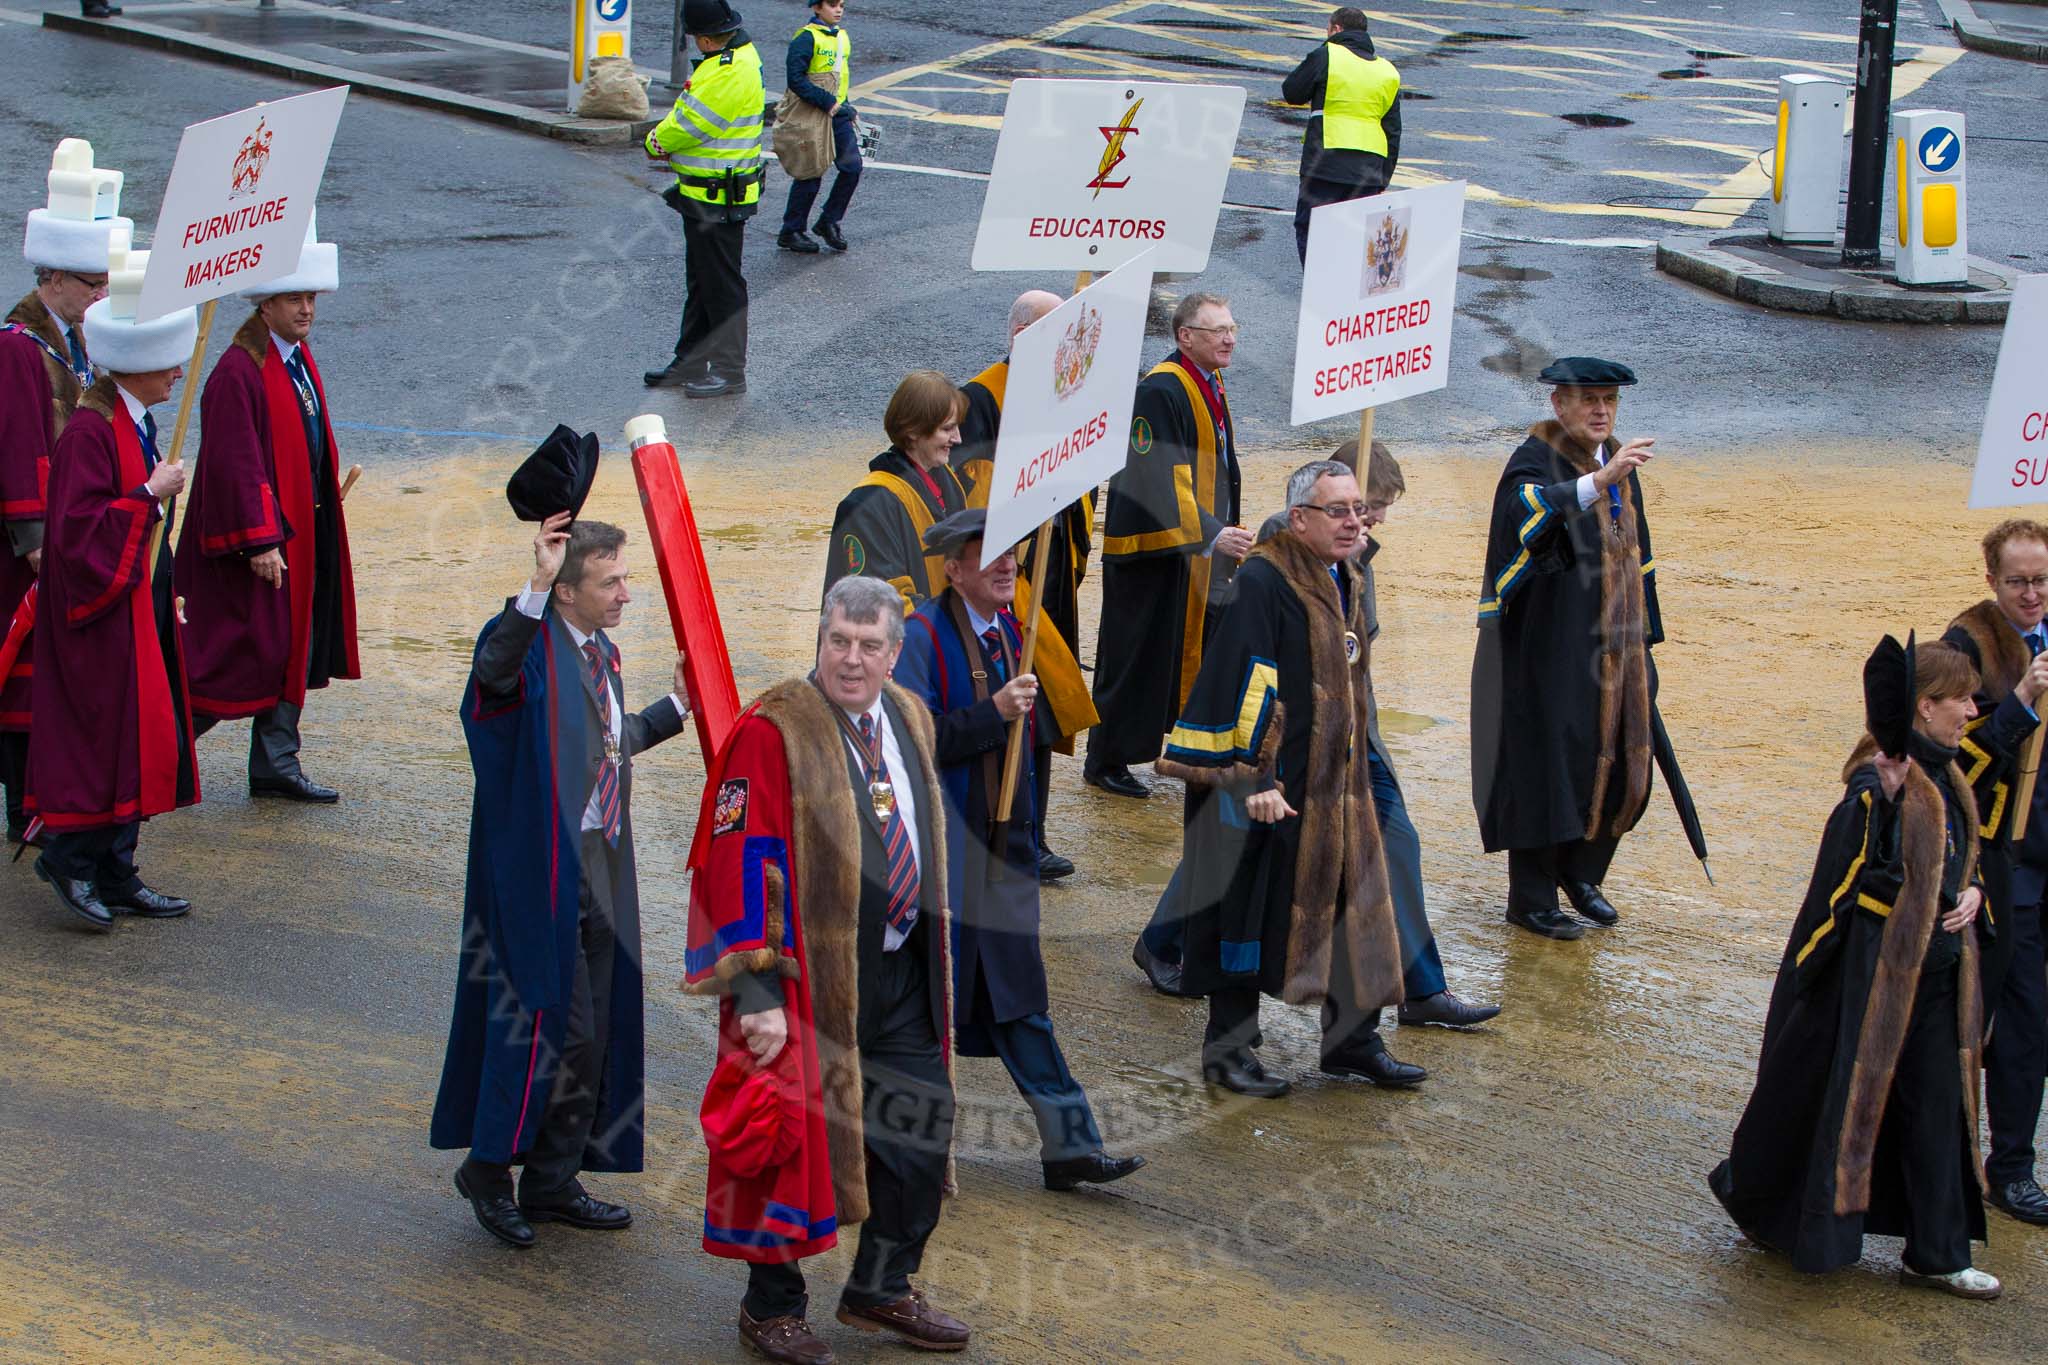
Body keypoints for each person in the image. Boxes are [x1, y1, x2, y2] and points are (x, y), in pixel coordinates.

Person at [686, 575, 970, 1362]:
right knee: (782, 1143)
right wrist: (756, 989)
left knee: (920, 1129)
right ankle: (769, 1306)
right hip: (804, 982)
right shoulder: (772, 730)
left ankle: (881, 1287)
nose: (850, 659)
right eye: (837, 640)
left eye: (868, 645)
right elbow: (735, 860)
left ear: (895, 651)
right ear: (820, 637)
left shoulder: (910, 714)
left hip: (900, 973)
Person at [1136, 441, 1500, 1029]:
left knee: (1389, 846)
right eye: (1363, 504)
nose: (1371, 517)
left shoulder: (1351, 548)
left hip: (1353, 736)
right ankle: (1172, 949)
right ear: (1311, 512)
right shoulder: (1283, 555)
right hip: (1298, 741)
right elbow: (1260, 664)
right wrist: (1258, 767)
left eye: (1372, 507)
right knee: (1241, 857)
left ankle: (1412, 991)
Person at [432, 474, 690, 1251]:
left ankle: (550, 1178)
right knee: (554, 1030)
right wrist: (531, 589)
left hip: (598, 862)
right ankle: (488, 1169)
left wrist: (675, 711)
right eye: (611, 581)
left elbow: (604, 747)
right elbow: (492, 676)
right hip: (539, 871)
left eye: (626, 577)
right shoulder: (529, 647)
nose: (626, 594)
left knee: (596, 1028)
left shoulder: (600, 651)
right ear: (568, 590)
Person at [1710, 636, 2000, 1300]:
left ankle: (1936, 1254)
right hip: (1875, 993)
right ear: (1924, 706)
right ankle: (1779, 1214)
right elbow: (1840, 895)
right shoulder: (1875, 787)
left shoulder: (1951, 773)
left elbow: (1963, 858)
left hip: (1936, 984)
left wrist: (1972, 891)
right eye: (1959, 697)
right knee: (1830, 1110)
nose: (1970, 708)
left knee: (1935, 1115)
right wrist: (1896, 840)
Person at [894, 509, 1144, 1191]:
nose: (1009, 566)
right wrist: (991, 714)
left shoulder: (1013, 630)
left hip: (1002, 857)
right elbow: (906, 742)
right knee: (927, 1006)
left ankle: (1069, 1144)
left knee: (1014, 998)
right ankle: (895, 1145)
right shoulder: (921, 636)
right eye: (991, 555)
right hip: (945, 860)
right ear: (954, 569)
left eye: (1014, 554)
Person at [1154, 460, 1414, 1098]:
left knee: (1356, 908)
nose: (1354, 520)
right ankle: (1229, 1053)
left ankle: (1354, 1042)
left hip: (1336, 783)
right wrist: (1257, 779)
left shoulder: (1346, 573)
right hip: (1271, 787)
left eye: (1358, 508)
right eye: (1337, 510)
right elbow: (1248, 681)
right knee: (1245, 916)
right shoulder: (1265, 581)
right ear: (1299, 519)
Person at [28, 271, 200, 930]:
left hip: (134, 598)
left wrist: (167, 585)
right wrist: (148, 496)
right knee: (101, 741)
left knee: (137, 737)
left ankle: (116, 865)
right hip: (97, 619)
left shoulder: (135, 419)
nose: (179, 372)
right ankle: (70, 860)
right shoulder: (90, 434)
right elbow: (77, 541)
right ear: (133, 364)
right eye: (166, 362)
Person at [1471, 356, 1661, 940]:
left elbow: (1640, 553)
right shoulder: (1536, 457)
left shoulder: (1619, 460)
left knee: (1626, 756)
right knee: (1545, 765)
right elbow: (1524, 519)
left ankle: (1581, 873)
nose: (1601, 411)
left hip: (1614, 646)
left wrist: (1645, 643)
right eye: (1588, 400)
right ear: (1559, 405)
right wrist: (1597, 484)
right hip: (1546, 643)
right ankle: (1530, 899)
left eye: (1609, 400)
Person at [177, 217, 358, 803]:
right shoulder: (238, 370)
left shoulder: (295, 356)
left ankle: (276, 759)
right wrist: (259, 539)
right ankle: (159, 748)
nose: (307, 309)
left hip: (299, 528)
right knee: (231, 658)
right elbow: (235, 460)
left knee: (290, 646)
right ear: (265, 304)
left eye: (310, 297)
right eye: (294, 298)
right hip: (259, 542)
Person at [952, 290, 1098, 881]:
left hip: (1053, 570)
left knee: (1042, 706)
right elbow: (976, 498)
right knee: (1016, 701)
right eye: (1051, 329)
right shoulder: (981, 399)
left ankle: (1032, 830)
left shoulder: (1065, 388)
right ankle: (1011, 833)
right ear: (1019, 334)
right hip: (1012, 577)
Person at [3, 148, 124, 843]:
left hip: (67, 535)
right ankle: (22, 807)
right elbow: (18, 451)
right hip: (31, 547)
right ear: (54, 276)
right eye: (93, 282)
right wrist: (36, 544)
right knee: (23, 677)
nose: (103, 294)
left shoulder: (75, 342)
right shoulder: (20, 347)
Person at [1088, 291, 1245, 800]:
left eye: (1231, 329)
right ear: (1185, 336)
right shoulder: (1160, 391)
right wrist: (1212, 532)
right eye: (1216, 330)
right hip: (1149, 551)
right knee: (1135, 656)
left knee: (1177, 654)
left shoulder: (1208, 381)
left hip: (1190, 551)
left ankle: (1176, 746)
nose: (1228, 338)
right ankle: (1105, 757)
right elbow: (1155, 475)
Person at [1941, 519, 2048, 1226]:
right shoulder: (1968, 645)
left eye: (2042, 580)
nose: (2033, 594)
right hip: (2008, 866)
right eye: (2018, 582)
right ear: (1991, 580)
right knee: (2016, 1021)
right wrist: (2019, 706)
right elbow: (1957, 763)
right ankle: (2004, 1166)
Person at [643, 0, 765, 399]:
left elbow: (692, 123)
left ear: (706, 38)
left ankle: (730, 372)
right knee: (702, 281)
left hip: (718, 197)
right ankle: (691, 361)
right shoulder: (735, 58)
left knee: (722, 286)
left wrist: (655, 141)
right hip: (706, 193)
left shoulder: (729, 71)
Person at [821, 370, 969, 608]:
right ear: (912, 430)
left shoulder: (948, 484)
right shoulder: (867, 506)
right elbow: (884, 606)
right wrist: (952, 632)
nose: (958, 438)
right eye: (947, 428)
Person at [1280, 8, 1401, 263]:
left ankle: (1320, 294)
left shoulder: (1327, 55)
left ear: (1335, 29)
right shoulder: (1387, 71)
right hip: (1369, 169)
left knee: (1311, 229)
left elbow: (1292, 92)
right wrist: (1383, 177)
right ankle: (1345, 296)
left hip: (1326, 163)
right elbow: (1393, 130)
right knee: (1357, 236)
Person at [777, 0, 862, 254]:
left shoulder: (842, 38)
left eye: (842, 5)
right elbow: (795, 80)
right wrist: (829, 103)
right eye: (832, 5)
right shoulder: (805, 38)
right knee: (810, 172)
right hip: (812, 113)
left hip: (837, 112)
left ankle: (828, 221)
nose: (838, 10)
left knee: (852, 167)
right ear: (816, 8)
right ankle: (791, 230)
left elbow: (841, 78)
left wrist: (846, 106)